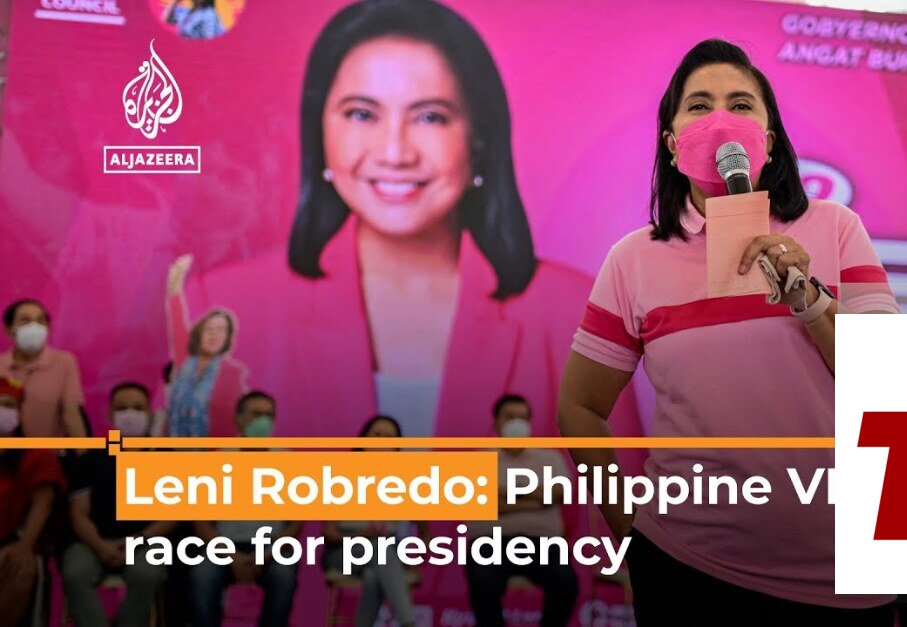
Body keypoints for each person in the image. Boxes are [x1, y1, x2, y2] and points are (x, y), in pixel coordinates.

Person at [165, 0, 643, 456]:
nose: (394, 152)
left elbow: (618, 506)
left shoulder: (573, 312)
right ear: (320, 129)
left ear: (479, 138)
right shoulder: (220, 306)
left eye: (430, 117)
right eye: (362, 114)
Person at [558, 39, 899, 625]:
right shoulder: (634, 259)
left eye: (741, 105)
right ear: (672, 144)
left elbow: (887, 385)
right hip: (687, 568)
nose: (720, 121)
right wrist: (631, 533)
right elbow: (579, 406)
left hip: (843, 573)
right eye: (699, 106)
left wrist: (809, 299)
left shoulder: (836, 228)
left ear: (768, 140)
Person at [62, 382, 175, 627]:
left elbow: (172, 516)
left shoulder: (167, 457)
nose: (130, 414)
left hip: (146, 542)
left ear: (150, 414)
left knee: (147, 574)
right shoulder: (91, 458)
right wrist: (99, 545)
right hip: (92, 543)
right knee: (75, 572)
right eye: (122, 408)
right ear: (110, 415)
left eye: (138, 408)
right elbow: (79, 513)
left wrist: (137, 540)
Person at [464, 394, 578, 627]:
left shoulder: (550, 457)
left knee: (566, 583)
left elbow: (561, 493)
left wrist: (502, 494)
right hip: (490, 543)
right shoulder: (479, 458)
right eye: (510, 417)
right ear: (496, 422)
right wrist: (538, 499)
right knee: (482, 582)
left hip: (543, 544)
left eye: (522, 417)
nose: (517, 423)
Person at [190, 391, 300, 627]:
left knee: (283, 574)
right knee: (202, 573)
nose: (264, 421)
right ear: (238, 419)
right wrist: (233, 556)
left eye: (269, 415)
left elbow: (295, 525)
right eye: (257, 414)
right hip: (223, 547)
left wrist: (265, 555)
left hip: (271, 549)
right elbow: (201, 524)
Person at [323, 415, 421, 627]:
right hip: (343, 551)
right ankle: (408, 622)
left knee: (373, 575)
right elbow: (329, 534)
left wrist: (417, 555)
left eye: (389, 438)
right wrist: (364, 535)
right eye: (376, 435)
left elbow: (424, 528)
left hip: (387, 552)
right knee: (379, 548)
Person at [0, 377, 67, 627]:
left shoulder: (37, 455)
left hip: (18, 541)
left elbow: (42, 504)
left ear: (19, 412)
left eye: (8, 405)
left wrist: (24, 545)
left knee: (20, 567)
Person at [165, 256, 248, 437]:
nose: (214, 335)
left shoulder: (233, 374)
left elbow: (237, 423)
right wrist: (175, 287)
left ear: (227, 338)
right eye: (209, 329)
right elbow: (177, 321)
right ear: (199, 334)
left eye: (220, 330)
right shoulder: (185, 359)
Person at [1, 298, 86, 437]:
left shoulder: (64, 362)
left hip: (50, 449)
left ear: (48, 329)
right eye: (25, 321)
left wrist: (83, 449)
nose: (34, 327)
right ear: (9, 330)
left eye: (40, 321)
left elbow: (71, 415)